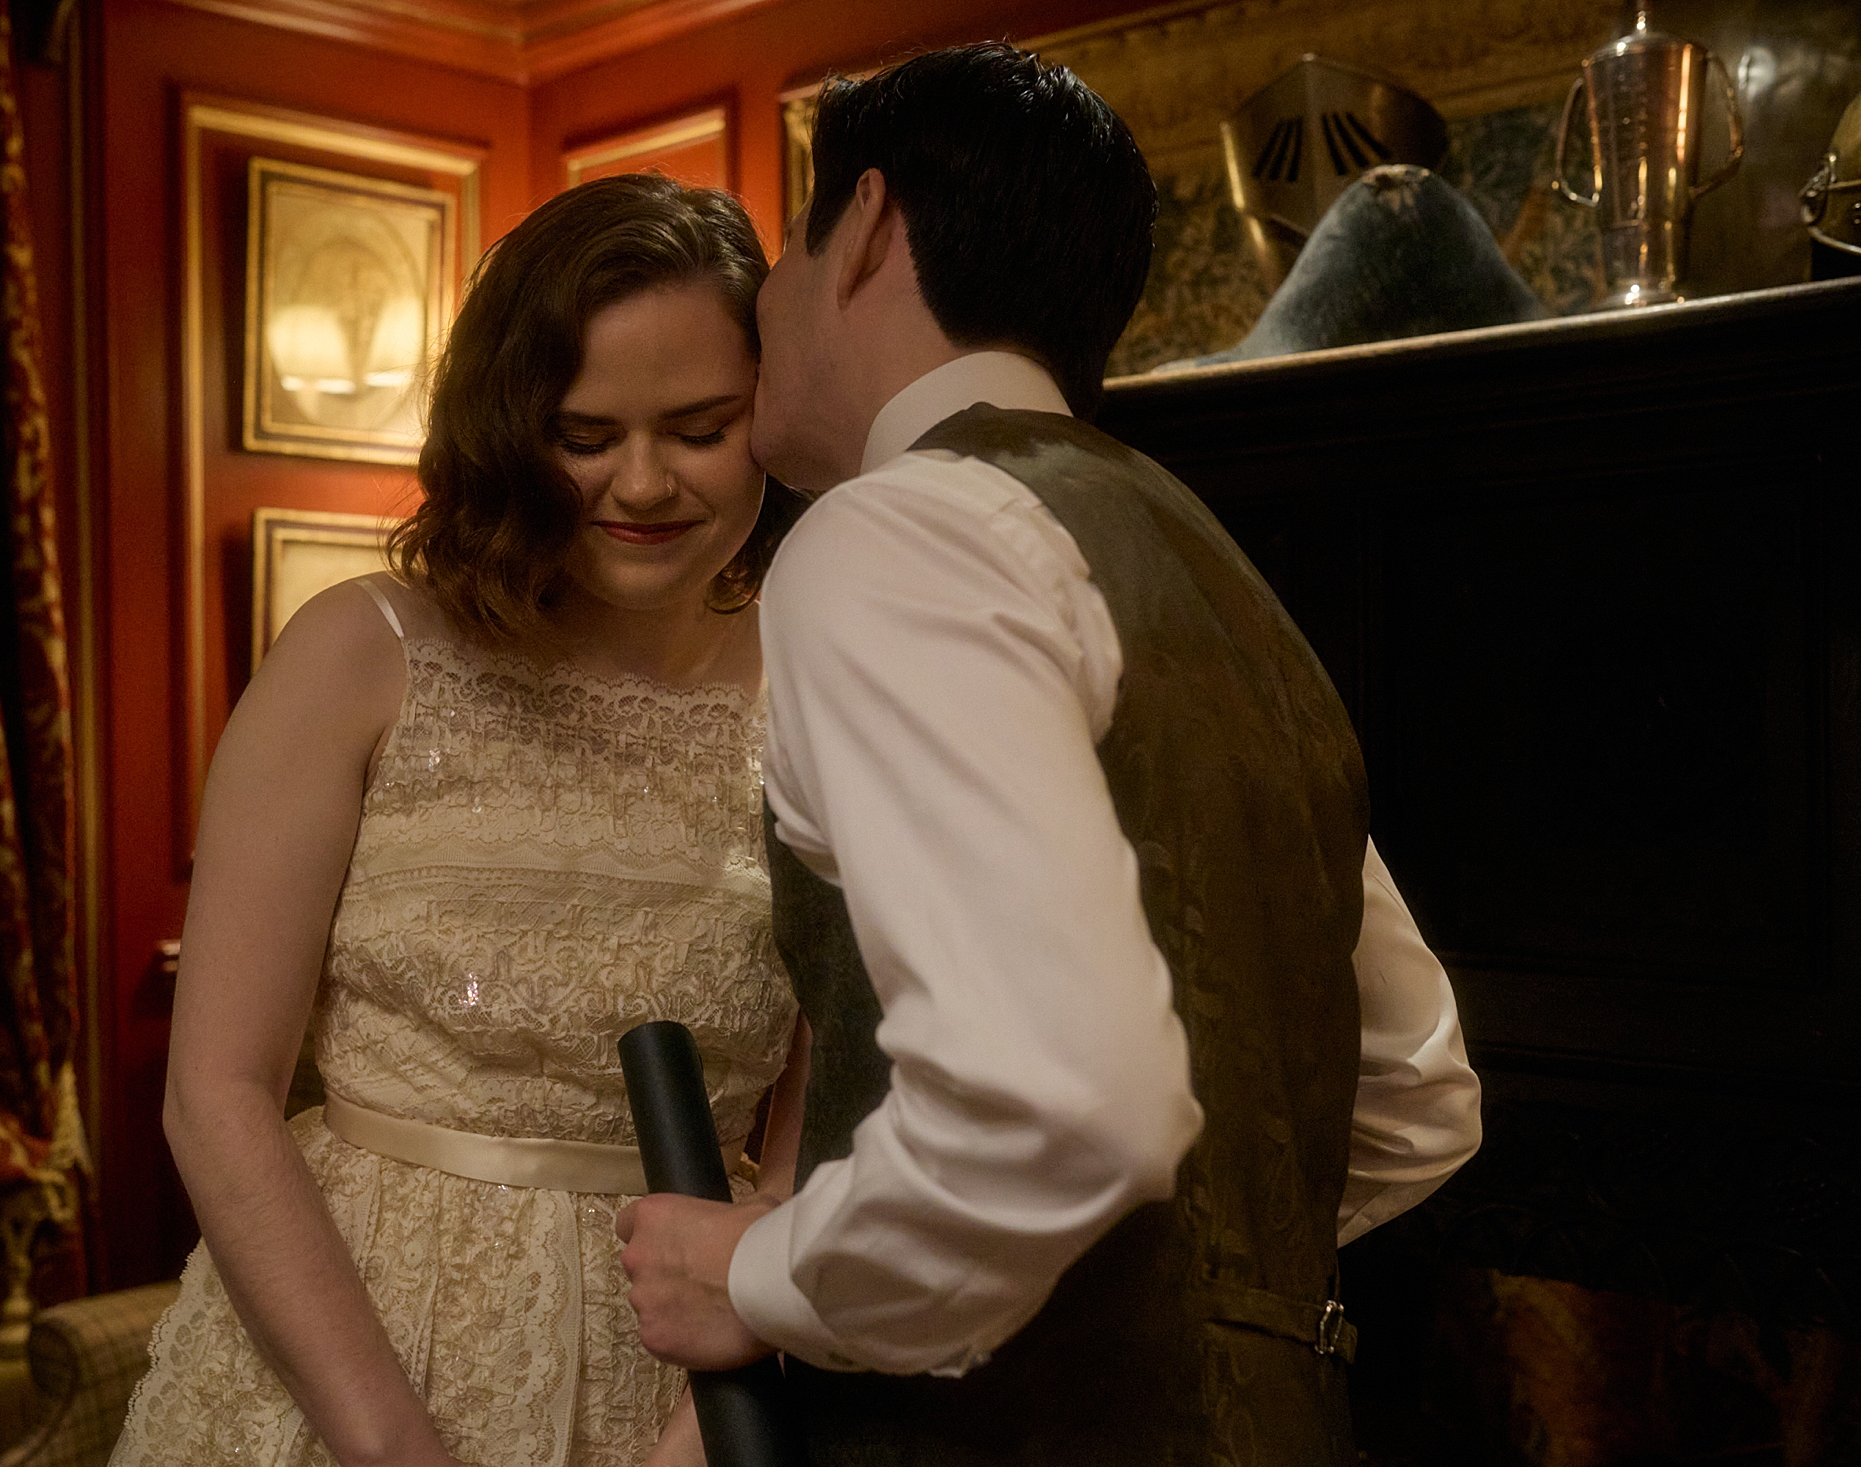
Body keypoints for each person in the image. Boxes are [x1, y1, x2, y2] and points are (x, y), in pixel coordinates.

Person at [615, 44, 1482, 1465]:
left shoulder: (891, 535)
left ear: (872, 229)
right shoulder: (1222, 585)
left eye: (787, 247)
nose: (763, 307)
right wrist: (1166, 1294)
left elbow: (1060, 1102)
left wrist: (764, 1278)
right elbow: (1413, 1100)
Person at [111, 172, 807, 1467]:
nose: (643, 482)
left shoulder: (827, 682)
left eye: (699, 427)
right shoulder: (363, 652)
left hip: (685, 1381)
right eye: (586, 434)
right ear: (508, 428)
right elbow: (217, 1094)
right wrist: (391, 1448)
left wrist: (701, 1429)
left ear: (768, 408)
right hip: (351, 1365)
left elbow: (834, 1110)